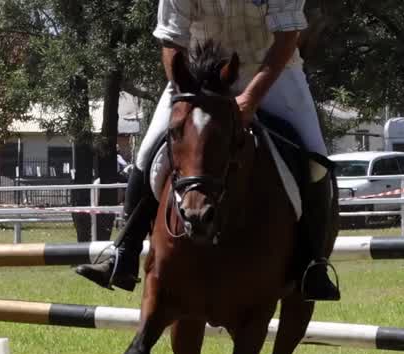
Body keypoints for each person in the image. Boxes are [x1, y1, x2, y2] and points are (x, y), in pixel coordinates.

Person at [75, 0, 340, 302]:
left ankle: (313, 265)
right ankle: (123, 253)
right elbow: (171, 40)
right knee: (148, 154)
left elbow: (286, 39)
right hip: (199, 74)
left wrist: (251, 98)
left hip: (271, 70)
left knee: (315, 160)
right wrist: (186, 91)